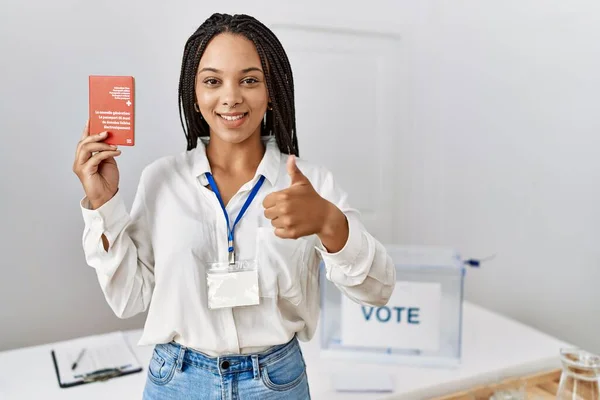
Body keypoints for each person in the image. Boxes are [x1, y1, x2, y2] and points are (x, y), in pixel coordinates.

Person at [72, 13, 395, 400]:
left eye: (249, 80)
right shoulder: (161, 180)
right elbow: (129, 300)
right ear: (194, 93)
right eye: (212, 81)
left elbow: (379, 290)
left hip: (276, 383)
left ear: (271, 90)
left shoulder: (310, 183)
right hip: (177, 381)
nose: (231, 97)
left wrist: (330, 223)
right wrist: (102, 203)